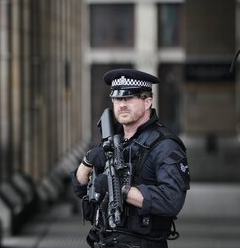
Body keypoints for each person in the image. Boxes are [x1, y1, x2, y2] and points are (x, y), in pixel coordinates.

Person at [72, 68, 190, 248]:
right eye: (117, 99)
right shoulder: (112, 141)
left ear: (148, 101)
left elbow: (171, 200)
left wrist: (121, 191)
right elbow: (81, 189)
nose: (122, 105)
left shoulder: (165, 146)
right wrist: (87, 162)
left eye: (129, 98)